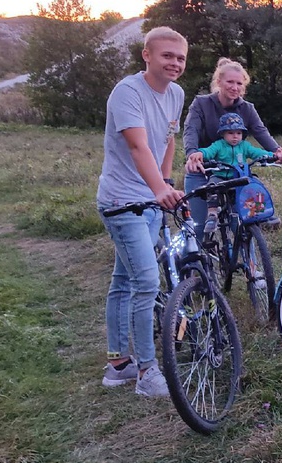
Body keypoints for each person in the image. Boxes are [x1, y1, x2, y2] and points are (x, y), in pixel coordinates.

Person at [96, 27, 188, 397]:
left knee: (124, 279)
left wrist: (165, 182)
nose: (175, 63)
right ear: (146, 55)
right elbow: (138, 146)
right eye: (167, 56)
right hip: (122, 202)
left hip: (150, 199)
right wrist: (160, 190)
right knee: (147, 282)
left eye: (180, 58)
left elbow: (168, 139)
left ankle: (118, 365)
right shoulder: (128, 92)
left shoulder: (176, 93)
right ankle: (148, 372)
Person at [184, 58, 282, 238]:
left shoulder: (247, 108)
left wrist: (277, 151)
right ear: (219, 82)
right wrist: (192, 154)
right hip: (204, 167)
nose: (235, 87)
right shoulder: (202, 104)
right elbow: (191, 129)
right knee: (199, 226)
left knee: (241, 224)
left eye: (239, 83)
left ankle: (253, 234)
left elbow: (260, 131)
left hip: (234, 171)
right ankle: (198, 252)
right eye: (230, 82)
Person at [196, 112, 279, 232]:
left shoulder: (244, 146)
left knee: (255, 184)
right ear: (223, 134)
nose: (235, 136)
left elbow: (257, 153)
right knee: (212, 187)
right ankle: (212, 215)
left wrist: (273, 155)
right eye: (230, 133)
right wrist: (200, 154)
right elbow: (208, 152)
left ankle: (261, 212)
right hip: (220, 176)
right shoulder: (218, 145)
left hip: (239, 176)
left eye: (238, 133)